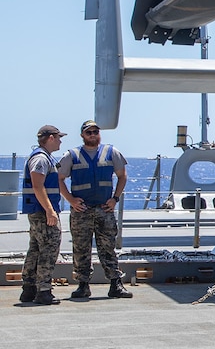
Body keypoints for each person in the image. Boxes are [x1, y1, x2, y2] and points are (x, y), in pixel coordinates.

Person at [58, 119, 132, 299]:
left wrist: (115, 199)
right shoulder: (72, 155)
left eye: (95, 132)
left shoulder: (111, 152)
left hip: (104, 210)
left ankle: (115, 284)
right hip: (81, 211)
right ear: (82, 135)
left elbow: (122, 176)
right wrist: (70, 200)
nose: (93, 135)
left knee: (108, 247)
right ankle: (83, 285)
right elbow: (58, 179)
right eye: (89, 132)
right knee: (81, 248)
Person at [19, 126, 67, 306]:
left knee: (36, 249)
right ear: (51, 138)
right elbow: (38, 185)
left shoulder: (42, 157)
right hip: (42, 213)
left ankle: (29, 289)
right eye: (59, 137)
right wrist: (49, 210)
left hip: (38, 212)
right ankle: (43, 290)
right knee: (49, 248)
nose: (61, 141)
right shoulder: (40, 159)